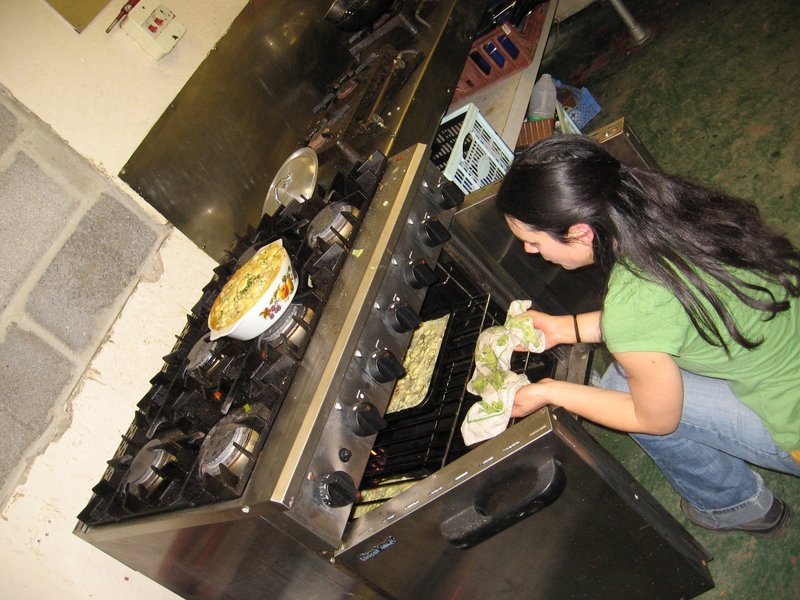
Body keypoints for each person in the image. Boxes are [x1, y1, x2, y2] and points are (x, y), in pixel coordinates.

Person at [496, 135, 800, 536]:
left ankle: (736, 507)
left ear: (581, 233)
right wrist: (565, 328)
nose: (532, 251)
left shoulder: (632, 304)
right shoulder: (668, 208)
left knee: (620, 388)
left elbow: (654, 418)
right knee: (630, 371)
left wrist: (549, 391)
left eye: (533, 242)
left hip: (793, 422)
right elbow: (661, 315)